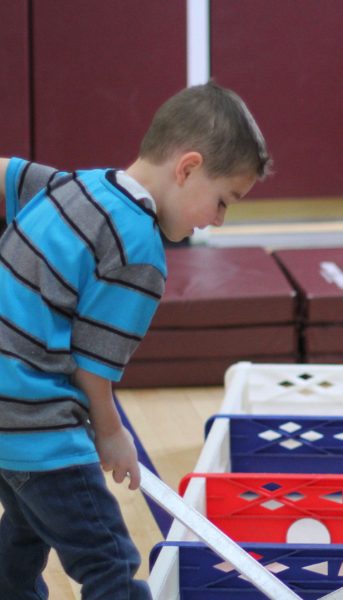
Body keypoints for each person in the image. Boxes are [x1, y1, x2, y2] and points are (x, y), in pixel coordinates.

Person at [0, 81, 270, 599]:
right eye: (221, 202)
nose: (216, 221)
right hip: (40, 425)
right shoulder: (138, 249)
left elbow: (9, 174)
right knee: (109, 562)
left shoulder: (76, 185)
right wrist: (111, 434)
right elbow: (92, 370)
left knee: (25, 535)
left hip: (5, 422)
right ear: (187, 168)